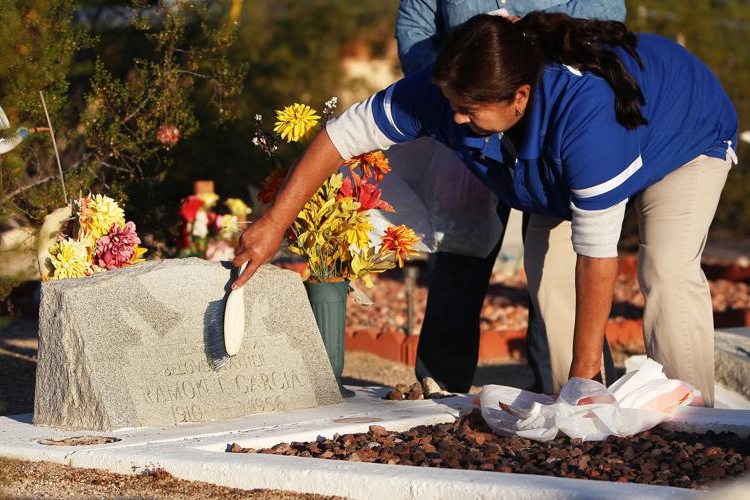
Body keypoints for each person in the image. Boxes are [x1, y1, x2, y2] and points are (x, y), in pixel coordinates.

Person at [234, 13, 737, 407]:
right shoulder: (446, 92)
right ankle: (581, 410)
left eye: (469, 111)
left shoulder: (585, 120)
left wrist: (588, 368)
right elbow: (340, 138)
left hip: (684, 136)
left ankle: (689, 418)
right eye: (451, 102)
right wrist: (275, 221)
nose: (455, 117)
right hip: (561, 169)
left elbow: (597, 255)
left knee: (665, 268)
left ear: (520, 97)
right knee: (548, 280)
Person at [395, 0, 627, 393]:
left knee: (556, 261)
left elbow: (606, 16)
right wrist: (457, 82)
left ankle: (570, 386)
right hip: (470, 120)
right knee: (460, 253)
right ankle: (440, 386)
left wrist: (530, 52)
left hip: (544, 118)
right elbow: (413, 24)